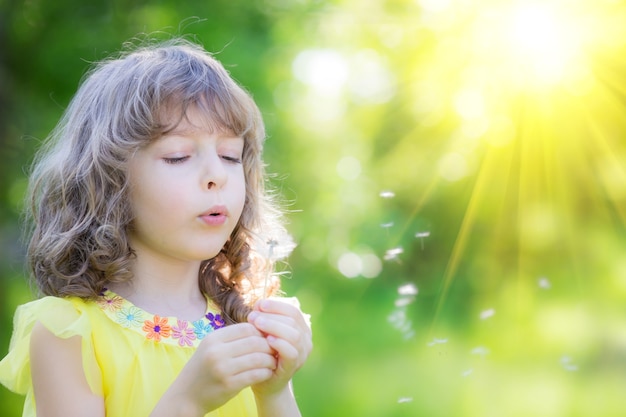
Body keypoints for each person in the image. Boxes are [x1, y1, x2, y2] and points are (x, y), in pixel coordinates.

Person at [0, 37, 312, 417]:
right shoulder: (67, 333)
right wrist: (187, 402)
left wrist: (275, 392)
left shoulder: (243, 320)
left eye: (231, 155)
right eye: (178, 157)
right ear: (111, 181)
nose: (217, 175)